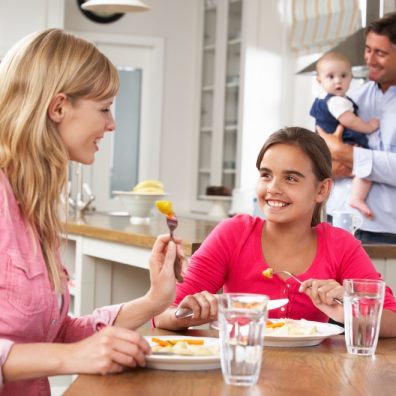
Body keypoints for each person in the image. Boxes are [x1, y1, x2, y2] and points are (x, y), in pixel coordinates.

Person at [0, 29, 184, 395]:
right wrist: (73, 359)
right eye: (103, 108)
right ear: (58, 107)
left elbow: (52, 335)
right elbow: (62, 353)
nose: (112, 124)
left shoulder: (34, 206)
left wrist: (154, 301)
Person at [154, 127, 396, 337]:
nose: (273, 188)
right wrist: (190, 314)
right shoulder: (233, 234)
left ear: (322, 190)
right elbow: (163, 314)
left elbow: (392, 318)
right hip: (241, 367)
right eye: (266, 175)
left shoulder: (340, 245)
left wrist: (352, 310)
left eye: (290, 178)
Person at [318, 12, 396, 243]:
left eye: (380, 53)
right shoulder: (349, 98)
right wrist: (331, 163)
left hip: (386, 232)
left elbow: (337, 151)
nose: (369, 59)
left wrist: (346, 154)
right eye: (368, 49)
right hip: (336, 223)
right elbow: (319, 159)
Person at [310, 51, 380, 219]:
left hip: (332, 152)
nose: (338, 81)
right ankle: (357, 198)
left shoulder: (325, 100)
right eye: (331, 77)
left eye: (343, 75)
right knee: (364, 171)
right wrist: (368, 127)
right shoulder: (337, 101)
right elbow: (349, 120)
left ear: (351, 77)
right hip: (347, 141)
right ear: (320, 80)